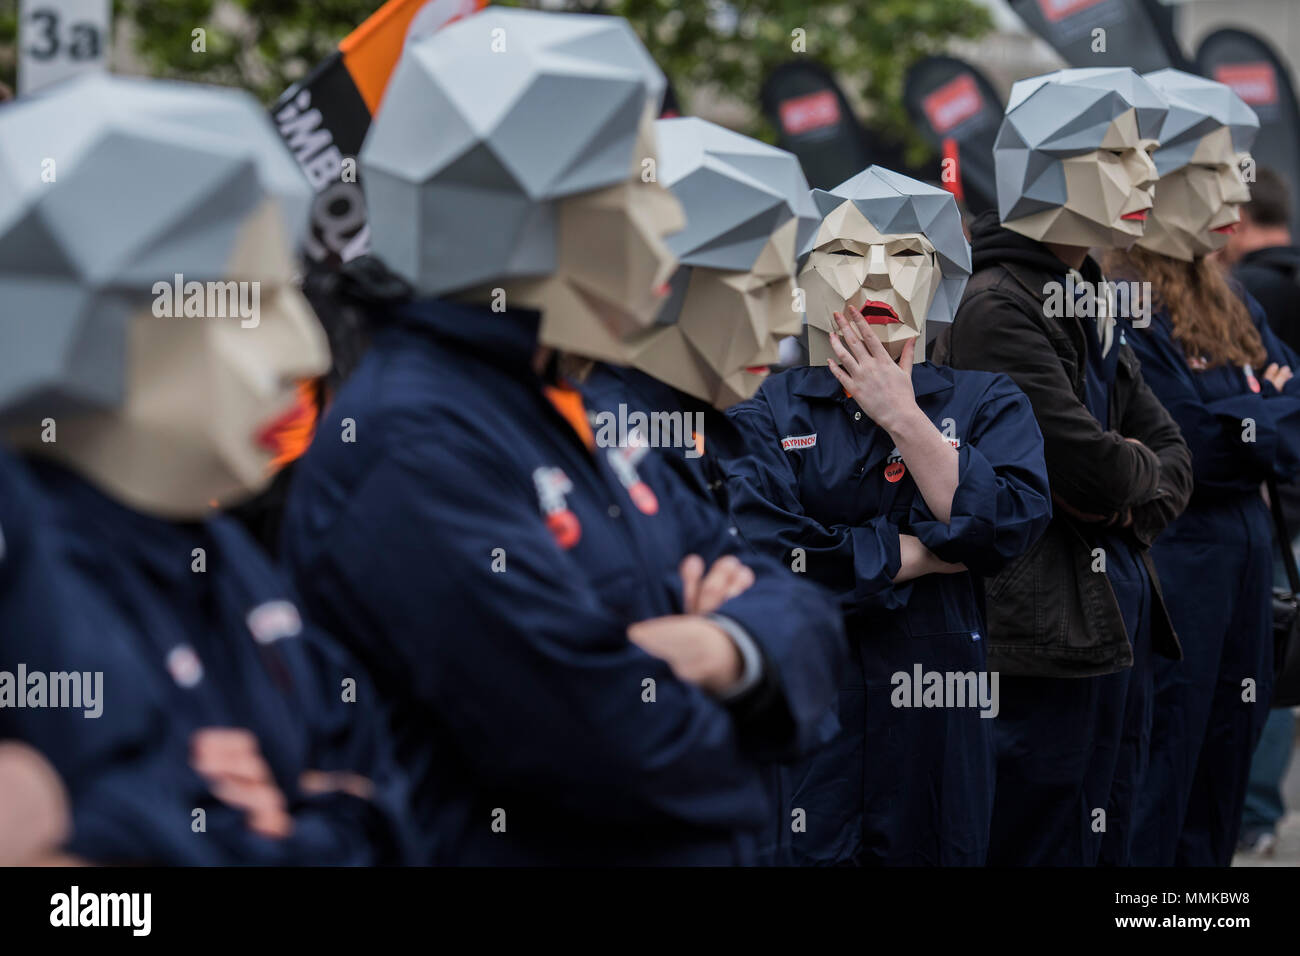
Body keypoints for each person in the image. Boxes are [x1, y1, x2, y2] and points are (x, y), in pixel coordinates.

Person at [281, 9, 846, 866]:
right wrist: (744, 672)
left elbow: (805, 626)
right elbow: (619, 749)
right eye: (640, 184)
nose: (669, 224)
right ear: (531, 208)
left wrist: (717, 650)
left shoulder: (586, 403)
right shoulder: (411, 447)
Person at [0, 74, 409, 865]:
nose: (308, 352)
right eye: (248, 300)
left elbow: (380, 794)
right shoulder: (34, 570)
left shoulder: (215, 549)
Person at [722, 166, 1052, 865]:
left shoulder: (987, 401)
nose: (876, 277)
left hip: (938, 728)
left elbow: (1010, 527)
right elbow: (772, 555)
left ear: (941, 277)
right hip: (813, 720)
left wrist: (904, 417)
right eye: (845, 254)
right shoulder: (762, 414)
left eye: (906, 253)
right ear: (803, 278)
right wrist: (928, 550)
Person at [934, 68, 1194, 866]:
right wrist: (1129, 483)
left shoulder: (1083, 289)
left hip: (1109, 615)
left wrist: (1128, 486)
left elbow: (1175, 458)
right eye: (1121, 155)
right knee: (1046, 839)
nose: (1149, 174)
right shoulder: (998, 302)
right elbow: (1092, 472)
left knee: (1113, 827)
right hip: (1043, 633)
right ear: (1048, 165)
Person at [1104, 70, 1300, 867]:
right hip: (1173, 568)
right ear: (1161, 175)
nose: (1238, 188)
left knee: (1222, 776)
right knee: (1161, 778)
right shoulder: (1117, 297)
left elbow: (1278, 421)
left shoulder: (1232, 297)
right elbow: (1185, 444)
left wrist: (1249, 415)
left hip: (1244, 556)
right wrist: (1261, 405)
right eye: (1218, 171)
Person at [1223, 166, 1300, 857]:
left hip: (1264, 502)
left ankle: (1248, 812)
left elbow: (1231, 414)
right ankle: (1259, 811)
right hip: (1288, 493)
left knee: (1263, 645)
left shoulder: (1247, 296)